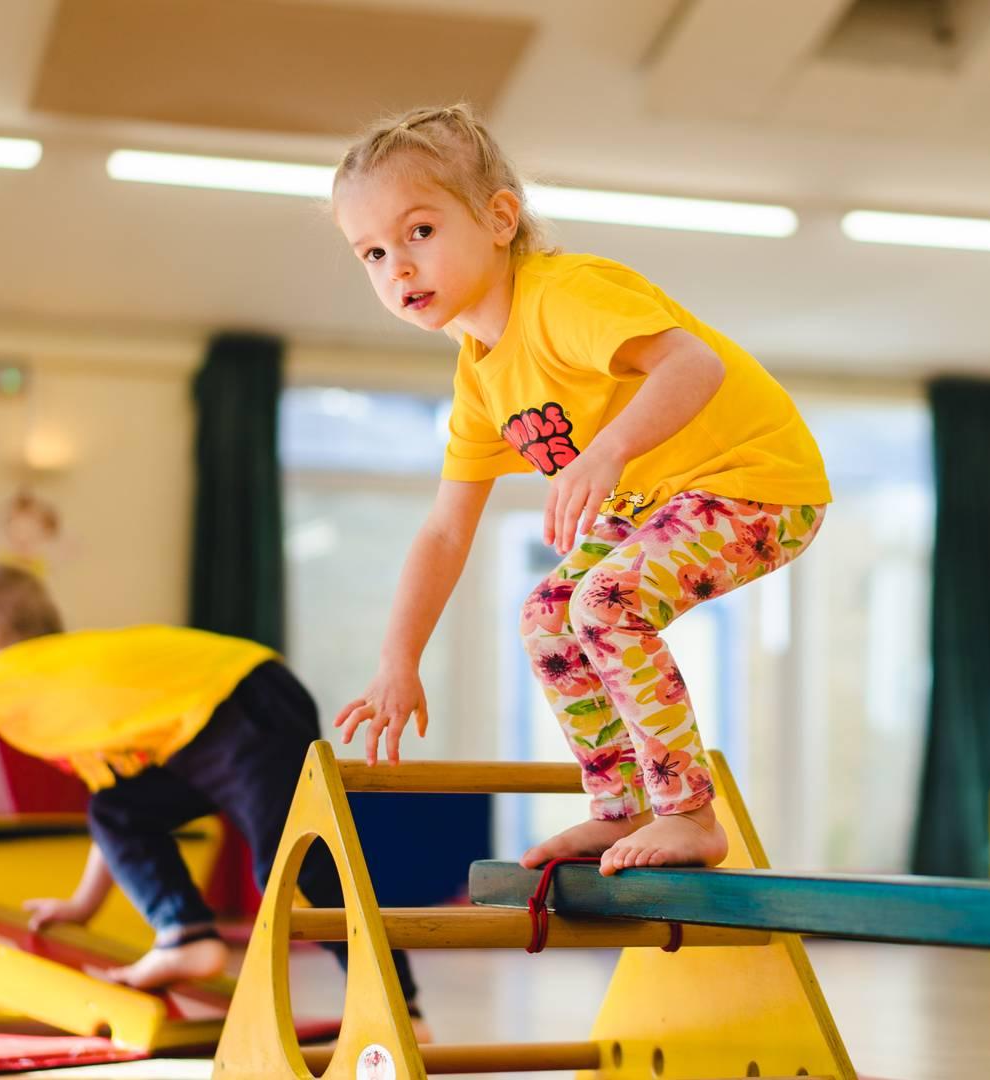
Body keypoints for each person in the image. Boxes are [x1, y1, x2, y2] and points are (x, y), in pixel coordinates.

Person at [328, 104, 832, 876]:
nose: (397, 267)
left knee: (606, 601)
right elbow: (444, 531)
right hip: (663, 501)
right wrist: (400, 658)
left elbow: (695, 364)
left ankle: (689, 814)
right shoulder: (480, 376)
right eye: (371, 252)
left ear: (500, 218)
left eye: (419, 233)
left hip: (756, 483)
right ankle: (621, 809)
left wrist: (607, 452)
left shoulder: (564, 295)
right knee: (546, 616)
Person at [0, 564, 422, 1022]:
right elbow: (116, 821)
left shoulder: (7, 678)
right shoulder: (79, 689)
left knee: (296, 867)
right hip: (229, 711)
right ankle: (184, 930)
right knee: (118, 807)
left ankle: (401, 1010)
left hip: (242, 708)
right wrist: (82, 904)